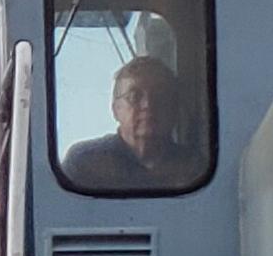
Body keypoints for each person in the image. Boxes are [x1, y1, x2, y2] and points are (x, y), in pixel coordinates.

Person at [62, 55, 201, 189]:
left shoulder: (194, 168)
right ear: (116, 109)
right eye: (134, 96)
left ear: (174, 108)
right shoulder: (84, 162)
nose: (148, 104)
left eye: (160, 96)